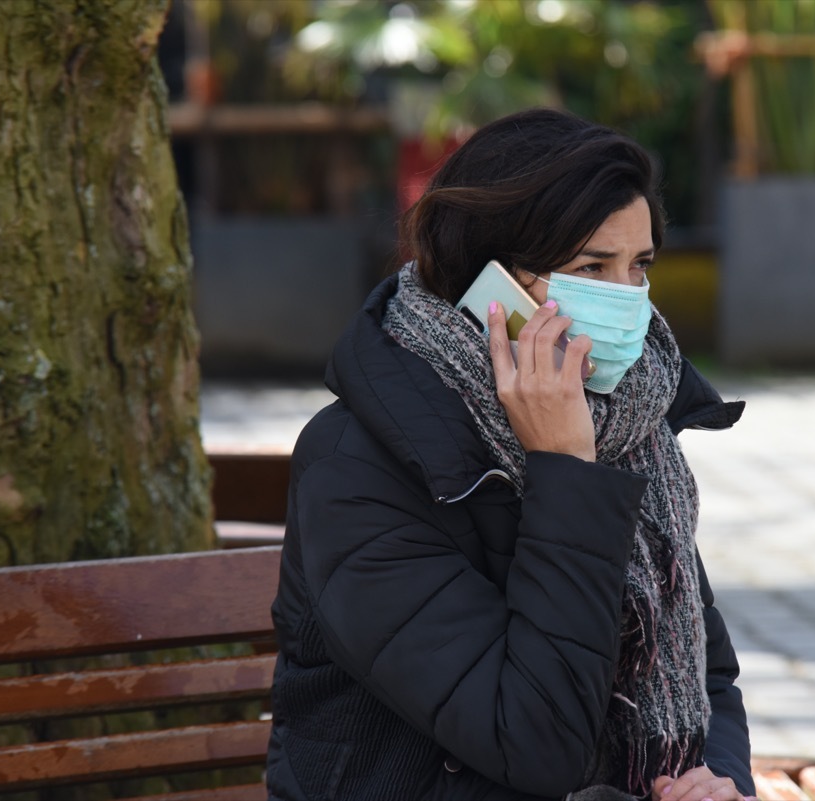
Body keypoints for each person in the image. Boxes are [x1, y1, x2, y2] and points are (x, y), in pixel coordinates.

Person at [266, 108, 754, 801]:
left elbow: (708, 675)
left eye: (639, 265)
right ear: (490, 288)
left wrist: (722, 782)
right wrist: (565, 472)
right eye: (591, 267)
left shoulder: (629, 424)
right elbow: (534, 742)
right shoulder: (356, 467)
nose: (629, 304)